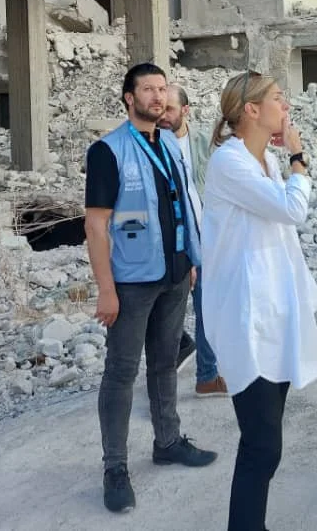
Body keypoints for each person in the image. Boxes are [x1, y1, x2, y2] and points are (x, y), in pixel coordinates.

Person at [84, 63, 217, 515]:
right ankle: (115, 468)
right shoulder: (109, 151)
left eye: (162, 89)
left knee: (164, 364)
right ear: (129, 98)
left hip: (175, 275)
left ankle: (168, 441)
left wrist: (191, 262)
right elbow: (97, 226)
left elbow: (185, 207)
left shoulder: (171, 146)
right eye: (148, 89)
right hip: (132, 281)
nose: (158, 97)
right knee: (121, 373)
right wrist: (106, 289)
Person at [201, 72, 317, 531]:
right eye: (276, 97)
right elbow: (292, 209)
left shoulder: (265, 162)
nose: (285, 104)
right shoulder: (229, 163)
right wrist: (299, 156)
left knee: (267, 441)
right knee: (261, 443)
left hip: (277, 312)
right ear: (251, 110)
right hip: (246, 319)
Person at [158, 83, 227, 397]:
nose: (163, 115)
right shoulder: (151, 145)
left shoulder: (204, 143)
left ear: (186, 111)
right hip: (167, 238)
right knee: (161, 307)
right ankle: (173, 358)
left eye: (170, 109)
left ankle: (207, 376)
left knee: (207, 306)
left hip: (206, 236)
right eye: (159, 108)